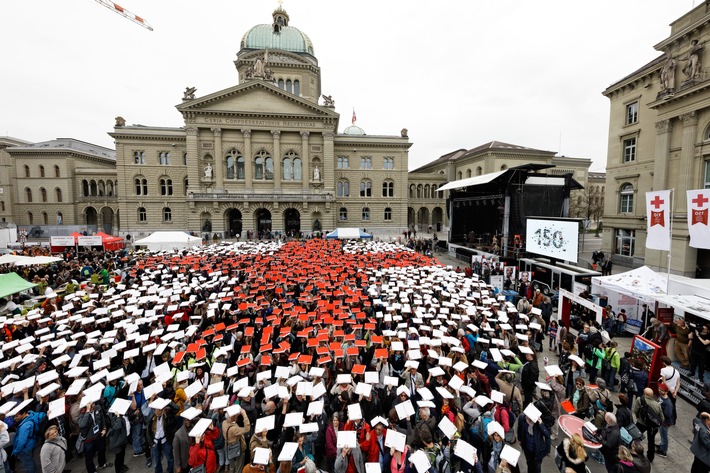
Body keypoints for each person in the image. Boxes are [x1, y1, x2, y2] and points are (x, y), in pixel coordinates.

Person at [632, 388, 663, 463]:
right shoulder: (657, 405)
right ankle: (650, 457)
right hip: (652, 426)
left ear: (644, 393)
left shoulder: (640, 400)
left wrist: (638, 417)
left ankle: (635, 452)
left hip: (641, 423)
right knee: (651, 441)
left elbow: (635, 410)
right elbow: (662, 418)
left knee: (635, 437)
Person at [12, 407, 47, 473]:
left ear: (24, 413)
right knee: (30, 460)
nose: (14, 418)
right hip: (31, 443)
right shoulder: (32, 414)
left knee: (28, 463)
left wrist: (16, 451)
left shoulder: (25, 426)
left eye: (16, 416)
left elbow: (21, 442)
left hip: (25, 447)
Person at [516, 409, 550, 473]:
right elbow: (519, 428)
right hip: (527, 449)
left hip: (538, 451)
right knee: (529, 465)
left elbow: (547, 435)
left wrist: (541, 424)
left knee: (537, 468)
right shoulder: (522, 419)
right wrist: (520, 439)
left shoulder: (539, 423)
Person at [656, 383, 674, 458]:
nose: (659, 391)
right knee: (662, 435)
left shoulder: (668, 403)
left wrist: (660, 411)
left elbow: (668, 414)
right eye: (659, 389)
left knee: (664, 436)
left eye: (662, 390)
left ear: (666, 391)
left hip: (665, 422)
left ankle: (663, 451)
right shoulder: (661, 396)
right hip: (661, 421)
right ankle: (662, 445)